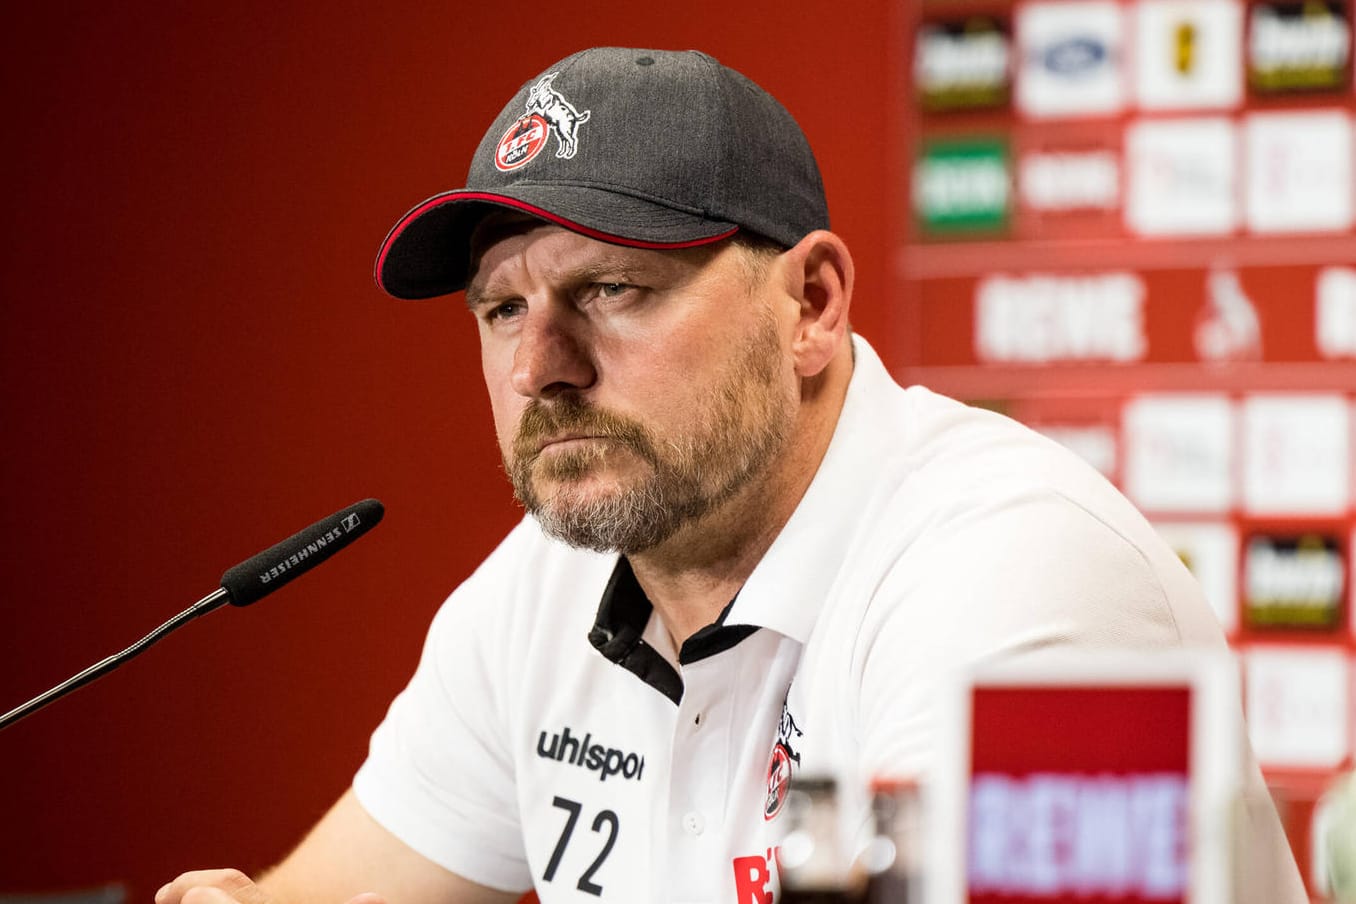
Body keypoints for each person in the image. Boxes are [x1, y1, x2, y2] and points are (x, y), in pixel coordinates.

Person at [159, 47, 1306, 904]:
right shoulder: (542, 590)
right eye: (502, 308)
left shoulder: (1033, 574)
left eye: (612, 289)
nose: (537, 368)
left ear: (809, 305)